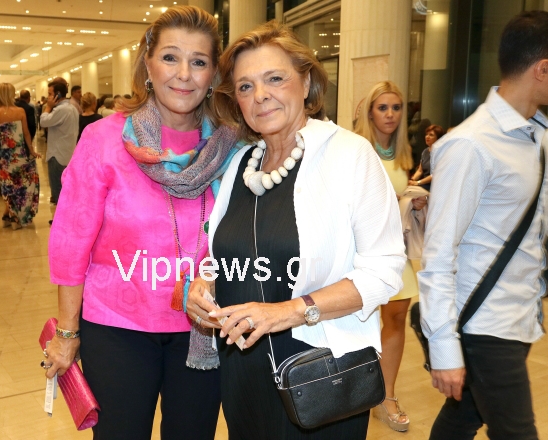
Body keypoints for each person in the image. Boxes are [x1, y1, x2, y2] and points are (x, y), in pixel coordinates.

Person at [187, 21, 406, 439]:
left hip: (321, 373)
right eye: (246, 86)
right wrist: (206, 282)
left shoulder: (349, 155)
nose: (260, 95)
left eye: (275, 79)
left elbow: (384, 272)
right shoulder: (241, 165)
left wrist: (289, 311)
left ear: (306, 82)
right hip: (243, 371)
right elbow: (228, 255)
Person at [45, 6, 239, 439]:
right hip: (118, 327)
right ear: (148, 65)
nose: (184, 74)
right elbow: (71, 242)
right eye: (170, 57)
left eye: (199, 61)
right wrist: (67, 331)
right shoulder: (104, 140)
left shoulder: (233, 145)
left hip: (205, 324)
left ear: (213, 75)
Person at [419, 11, 548, 440]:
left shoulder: (537, 135)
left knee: (461, 419)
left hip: (519, 315)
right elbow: (438, 253)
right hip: (484, 326)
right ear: (542, 69)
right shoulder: (470, 145)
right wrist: (444, 347)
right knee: (517, 433)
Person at [353, 80, 423, 432]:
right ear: (370, 112)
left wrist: (414, 200)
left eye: (396, 107)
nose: (391, 114)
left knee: (396, 318)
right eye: (383, 107)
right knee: (358, 320)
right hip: (360, 252)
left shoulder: (403, 154)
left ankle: (387, 395)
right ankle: (357, 392)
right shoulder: (355, 149)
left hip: (395, 249)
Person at [0, 83, 41, 230]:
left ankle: (8, 214)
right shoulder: (20, 111)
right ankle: (16, 217)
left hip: (3, 155)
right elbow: (26, 133)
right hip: (19, 153)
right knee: (25, 184)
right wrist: (32, 150)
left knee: (8, 186)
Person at [39, 78, 78, 207]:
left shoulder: (61, 110)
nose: (48, 97)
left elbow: (43, 121)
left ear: (58, 95)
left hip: (57, 155)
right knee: (65, 192)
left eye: (50, 94)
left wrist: (48, 107)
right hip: (67, 153)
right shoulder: (71, 108)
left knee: (58, 193)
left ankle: (60, 218)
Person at [409, 124, 444, 191]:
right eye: (426, 134)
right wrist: (412, 180)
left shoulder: (441, 153)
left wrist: (418, 182)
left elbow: (435, 175)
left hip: (435, 187)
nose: (427, 137)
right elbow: (420, 171)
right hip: (424, 184)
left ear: (438, 138)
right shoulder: (425, 151)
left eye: (431, 135)